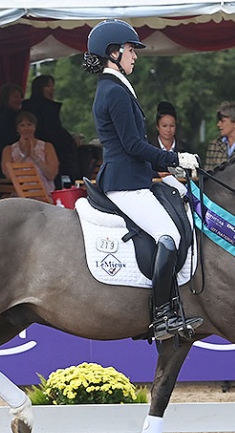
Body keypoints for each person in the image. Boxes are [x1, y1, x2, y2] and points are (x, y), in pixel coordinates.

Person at [83, 19, 203, 342]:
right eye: (131, 50)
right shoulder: (114, 91)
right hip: (125, 183)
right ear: (113, 53)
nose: (135, 56)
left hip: (134, 177)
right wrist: (174, 158)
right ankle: (162, 315)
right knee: (168, 235)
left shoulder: (117, 86)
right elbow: (133, 146)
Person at [21, 75, 79, 188]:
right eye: (48, 86)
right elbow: (54, 131)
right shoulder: (47, 109)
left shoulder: (27, 106)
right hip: (49, 150)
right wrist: (70, 140)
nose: (52, 89)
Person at [1, 111, 59, 193]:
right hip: (20, 195)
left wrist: (35, 157)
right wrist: (24, 156)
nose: (26, 128)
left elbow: (51, 175)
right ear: (17, 129)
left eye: (29, 124)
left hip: (44, 194)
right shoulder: (8, 150)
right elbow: (9, 176)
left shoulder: (47, 147)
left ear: (35, 127)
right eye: (22, 125)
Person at [150, 101, 193, 176]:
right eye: (164, 126)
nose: (168, 130)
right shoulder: (149, 148)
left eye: (172, 126)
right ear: (157, 126)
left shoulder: (185, 149)